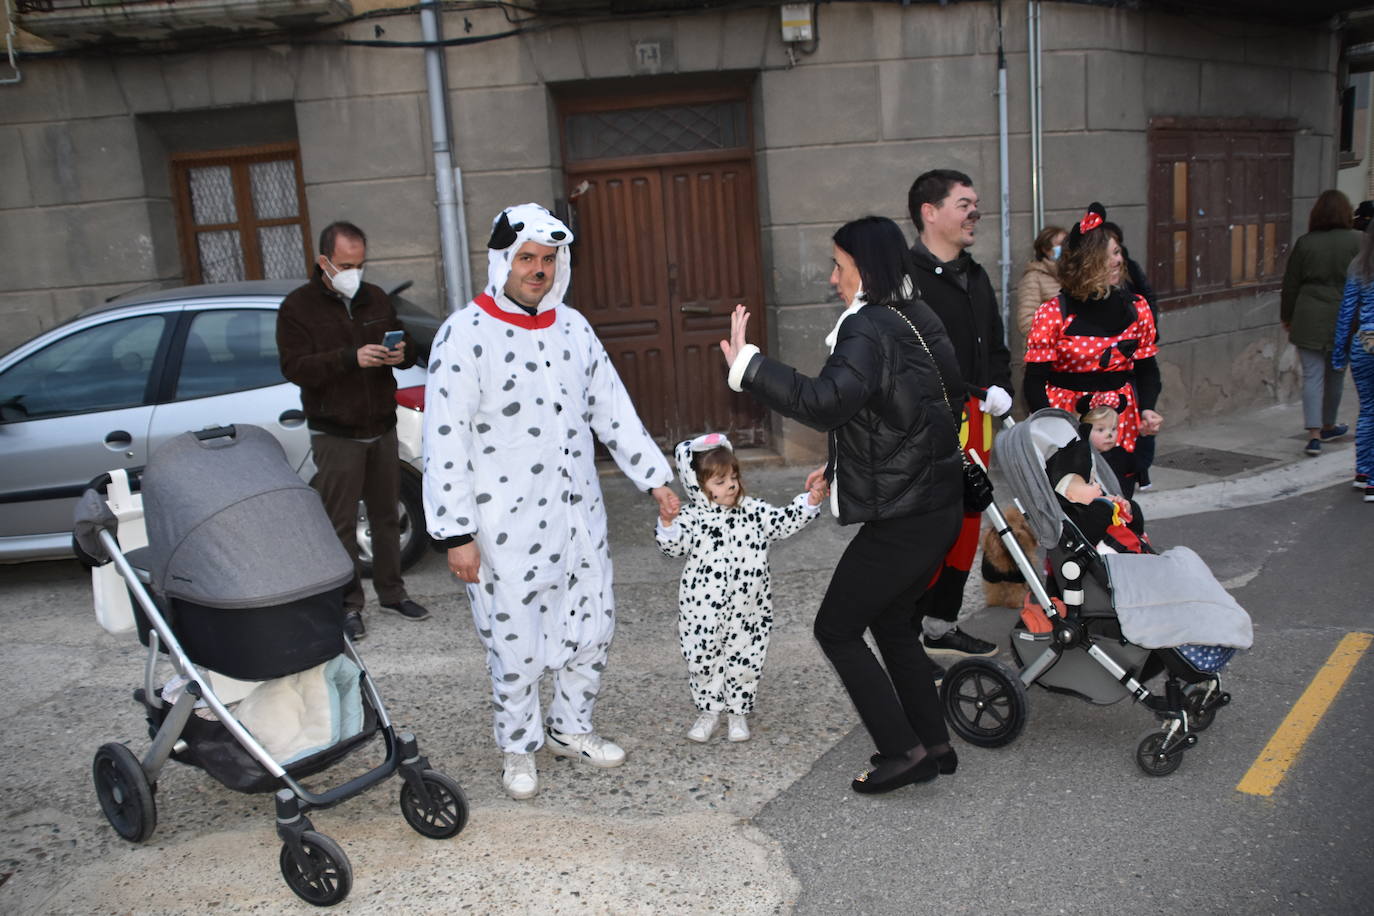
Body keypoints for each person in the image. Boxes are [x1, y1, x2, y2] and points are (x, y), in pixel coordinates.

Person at [421, 203, 679, 800]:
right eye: (527, 258)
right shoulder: (465, 334)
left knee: (593, 625)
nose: (538, 270)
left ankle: (570, 728)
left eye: (548, 259)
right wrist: (456, 532)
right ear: (502, 262)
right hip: (501, 526)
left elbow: (611, 409)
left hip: (576, 516)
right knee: (516, 645)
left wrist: (655, 480)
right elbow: (444, 439)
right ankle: (519, 746)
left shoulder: (573, 328)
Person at [720, 215, 966, 794]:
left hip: (907, 518)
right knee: (893, 622)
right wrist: (842, 464)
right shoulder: (915, 314)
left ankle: (902, 751)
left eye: (840, 266)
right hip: (935, 507)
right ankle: (933, 744)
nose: (833, 279)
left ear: (867, 268)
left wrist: (748, 365)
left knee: (836, 628)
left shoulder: (870, 328)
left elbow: (827, 402)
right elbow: (915, 409)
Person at [277, 220, 429, 642]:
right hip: (336, 432)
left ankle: (393, 593)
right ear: (323, 261)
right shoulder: (297, 308)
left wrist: (402, 353)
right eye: (346, 265)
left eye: (360, 264)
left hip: (380, 425)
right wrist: (349, 358)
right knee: (340, 523)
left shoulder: (375, 298)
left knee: (386, 516)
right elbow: (295, 367)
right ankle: (348, 606)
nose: (354, 273)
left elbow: (408, 348)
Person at [906, 169, 1014, 660]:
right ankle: (905, 634)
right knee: (931, 525)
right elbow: (913, 360)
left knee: (969, 520)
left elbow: (993, 343)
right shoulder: (904, 281)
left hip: (978, 416)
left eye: (976, 202)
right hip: (931, 421)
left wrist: (1000, 390)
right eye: (963, 203)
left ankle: (941, 623)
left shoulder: (976, 274)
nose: (976, 212)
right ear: (930, 213)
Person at [656, 433, 826, 743]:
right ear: (698, 485)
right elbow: (673, 548)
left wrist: (809, 503)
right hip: (701, 609)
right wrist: (668, 524)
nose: (731, 485)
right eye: (720, 482)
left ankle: (737, 712)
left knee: (746, 657)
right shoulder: (692, 518)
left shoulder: (753, 511)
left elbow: (782, 522)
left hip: (749, 607)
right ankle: (708, 711)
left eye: (733, 477)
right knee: (702, 656)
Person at [1023, 202, 1162, 498]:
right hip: (1068, 421)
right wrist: (1052, 430)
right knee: (1074, 508)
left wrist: (1148, 408)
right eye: (1110, 254)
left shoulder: (1138, 308)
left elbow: (1148, 368)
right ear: (1088, 262)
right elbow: (1034, 380)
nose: (1118, 260)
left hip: (1118, 422)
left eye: (1118, 252)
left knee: (1118, 504)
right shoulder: (1053, 313)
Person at [1281, 189, 1360, 457]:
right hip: (1344, 315)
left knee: (1312, 376)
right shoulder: (1359, 241)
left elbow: (1290, 285)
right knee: (1336, 373)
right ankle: (1328, 424)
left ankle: (1313, 435)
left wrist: (1287, 317)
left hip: (1308, 313)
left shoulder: (1306, 243)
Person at [1332, 222, 1374, 502]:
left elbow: (1346, 313)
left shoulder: (1359, 267)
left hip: (1365, 344)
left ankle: (1363, 471)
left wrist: (1339, 354)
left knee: (1368, 409)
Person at [1015, 225, 1067, 337]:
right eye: (1060, 245)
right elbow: (1026, 322)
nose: (1065, 248)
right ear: (1046, 250)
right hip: (1048, 350)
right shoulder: (1033, 278)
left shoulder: (1074, 275)